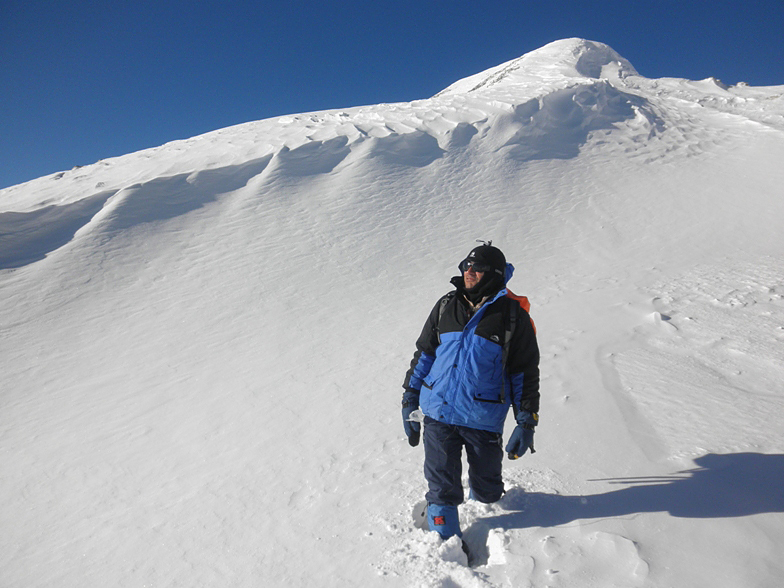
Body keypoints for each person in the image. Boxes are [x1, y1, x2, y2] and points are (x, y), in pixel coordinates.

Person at [401, 242, 540, 540]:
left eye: (477, 268)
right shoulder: (445, 305)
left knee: (488, 490)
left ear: (494, 274)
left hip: (482, 418)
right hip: (438, 412)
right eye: (466, 266)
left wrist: (526, 421)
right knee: (441, 487)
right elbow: (424, 355)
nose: (469, 272)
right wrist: (410, 398)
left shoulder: (512, 317)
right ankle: (445, 541)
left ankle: (485, 503)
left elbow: (524, 373)